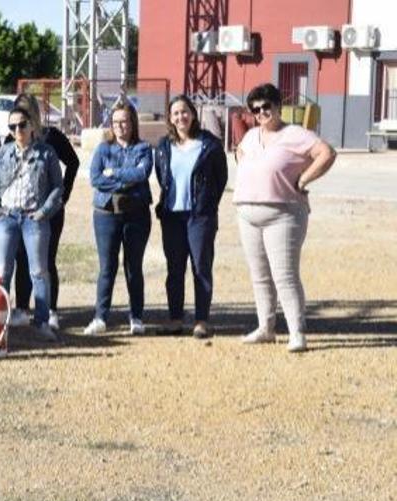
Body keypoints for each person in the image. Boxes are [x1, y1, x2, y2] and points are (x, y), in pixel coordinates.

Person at [233, 83, 336, 353]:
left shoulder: (295, 134)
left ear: (278, 106)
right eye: (255, 109)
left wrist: (303, 179)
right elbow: (240, 155)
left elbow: (326, 153)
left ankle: (296, 332)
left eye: (267, 106)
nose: (262, 112)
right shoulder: (251, 136)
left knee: (285, 275)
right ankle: (265, 327)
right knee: (259, 275)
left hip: (284, 213)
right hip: (247, 213)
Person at [0, 107, 64, 341]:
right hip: (8, 217)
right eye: (12, 127)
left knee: (39, 270)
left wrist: (44, 212)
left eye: (21, 125)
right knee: (3, 270)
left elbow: (57, 187)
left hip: (34, 217)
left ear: (32, 126)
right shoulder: (4, 152)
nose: (17, 130)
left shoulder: (47, 153)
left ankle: (42, 322)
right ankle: (0, 321)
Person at [154, 94, 228, 339]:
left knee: (200, 267)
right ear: (170, 118)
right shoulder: (164, 146)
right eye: (175, 113)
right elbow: (162, 176)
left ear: (193, 114)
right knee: (174, 269)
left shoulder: (210, 145)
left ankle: (201, 320)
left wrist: (207, 205)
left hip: (200, 216)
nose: (180, 117)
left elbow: (220, 179)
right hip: (172, 216)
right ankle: (175, 318)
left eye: (184, 111)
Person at [7, 93, 79, 330]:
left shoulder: (52, 137)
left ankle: (51, 310)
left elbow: (73, 162)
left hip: (50, 211)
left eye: (27, 113)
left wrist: (63, 194)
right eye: (19, 112)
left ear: (35, 114)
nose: (21, 121)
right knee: (22, 258)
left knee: (46, 260)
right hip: (21, 210)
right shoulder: (10, 139)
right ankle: (21, 308)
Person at [85, 101, 154, 336]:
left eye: (124, 121)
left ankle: (136, 317)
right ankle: (100, 317)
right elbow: (94, 178)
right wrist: (126, 181)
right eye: (115, 122)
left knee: (133, 267)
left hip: (136, 215)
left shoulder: (143, 148)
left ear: (133, 123)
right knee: (107, 267)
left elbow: (142, 173)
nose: (120, 126)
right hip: (106, 215)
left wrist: (113, 173)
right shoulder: (103, 149)